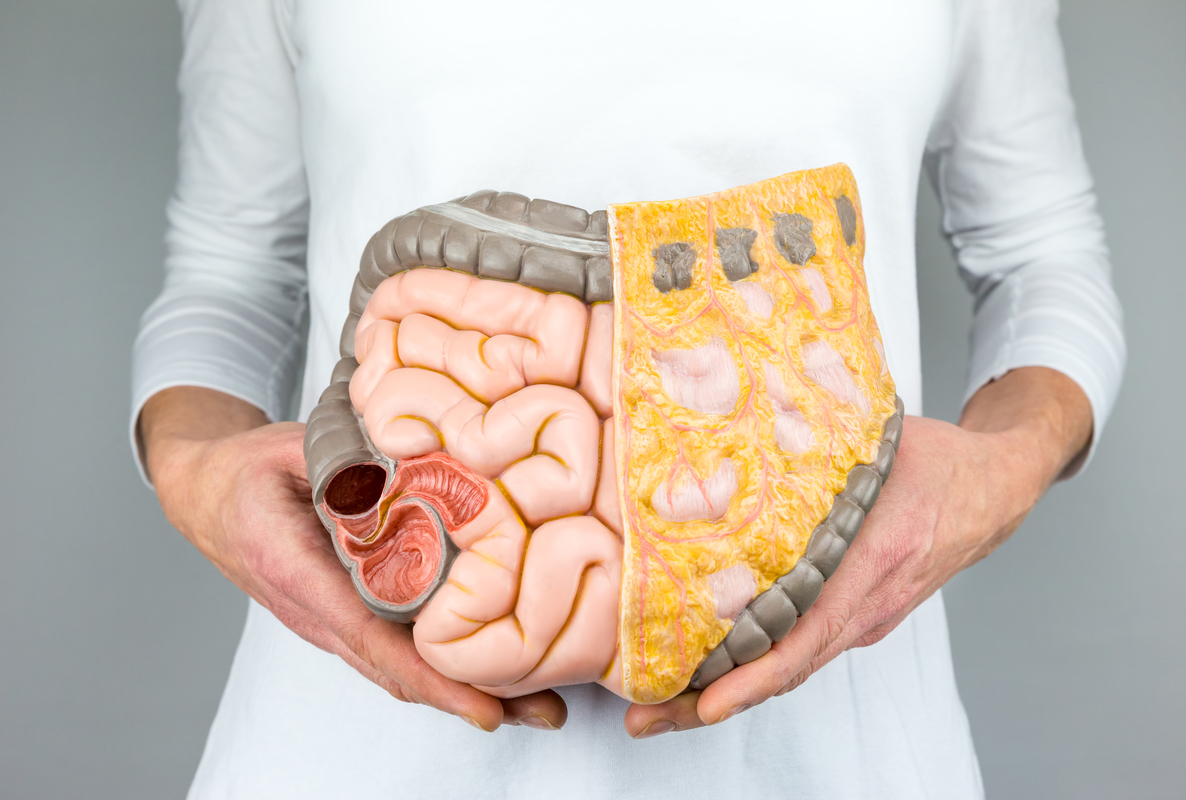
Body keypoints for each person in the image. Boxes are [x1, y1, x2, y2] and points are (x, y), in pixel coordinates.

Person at [131, 0, 1125, 796]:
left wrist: (998, 467)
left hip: (837, 754)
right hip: (359, 752)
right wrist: (194, 470)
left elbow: (1043, 252)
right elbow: (229, 272)